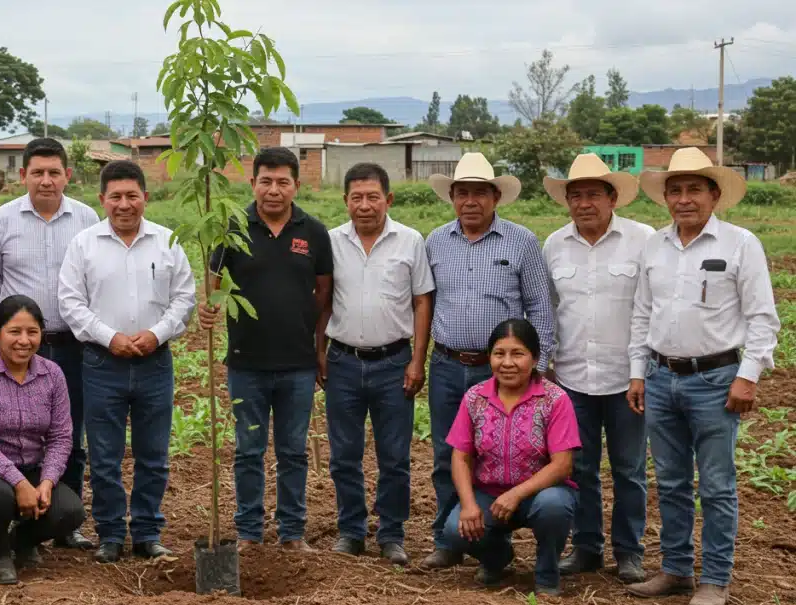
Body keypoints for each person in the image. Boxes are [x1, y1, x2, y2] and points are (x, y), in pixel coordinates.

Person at [626, 148, 781, 605]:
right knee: (671, 482)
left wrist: (748, 376)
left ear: (715, 195)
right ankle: (675, 569)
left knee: (716, 484)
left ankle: (714, 577)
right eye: (675, 190)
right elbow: (641, 314)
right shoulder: (654, 245)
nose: (684, 198)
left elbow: (762, 318)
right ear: (665, 198)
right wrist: (638, 373)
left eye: (695, 189)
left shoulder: (740, 244)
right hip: (660, 376)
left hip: (715, 379)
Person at [422, 153, 555, 569]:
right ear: (452, 198)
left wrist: (540, 366)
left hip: (501, 370)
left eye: (480, 192)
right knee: (449, 454)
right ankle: (450, 537)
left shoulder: (522, 242)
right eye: (462, 193)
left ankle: (494, 533)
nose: (470, 201)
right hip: (446, 365)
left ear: (496, 196)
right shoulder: (436, 241)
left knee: (501, 454)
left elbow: (540, 306)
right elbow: (425, 303)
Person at [59, 161, 196, 563]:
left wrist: (157, 333)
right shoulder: (84, 245)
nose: (124, 204)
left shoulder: (168, 241)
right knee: (104, 456)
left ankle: (148, 532)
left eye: (131, 196)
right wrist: (110, 337)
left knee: (153, 454)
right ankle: (111, 534)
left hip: (155, 362)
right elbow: (71, 302)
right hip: (103, 365)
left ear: (145, 198)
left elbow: (184, 299)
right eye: (115, 197)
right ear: (102, 200)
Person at [198, 147, 333, 551]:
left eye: (282, 182)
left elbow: (324, 293)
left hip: (297, 364)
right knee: (248, 451)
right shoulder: (232, 227)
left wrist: (319, 347)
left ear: (296, 185)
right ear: (252, 182)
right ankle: (249, 533)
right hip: (247, 364)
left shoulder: (314, 232)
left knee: (293, 453)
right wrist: (210, 309)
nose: (273, 190)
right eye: (265, 181)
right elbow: (213, 281)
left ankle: (292, 532)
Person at [0, 138, 101, 551]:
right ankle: (10, 507)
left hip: (72, 345)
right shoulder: (2, 219)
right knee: (8, 431)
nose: (46, 181)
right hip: (18, 347)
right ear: (23, 176)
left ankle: (61, 523)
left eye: (54, 172)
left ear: (68, 175)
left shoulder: (86, 218)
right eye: (38, 172)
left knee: (70, 433)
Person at [541, 154, 653, 584]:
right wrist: (547, 364)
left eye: (592, 194)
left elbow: (650, 308)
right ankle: (586, 547)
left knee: (629, 469)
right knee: (579, 468)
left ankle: (629, 552)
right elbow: (548, 309)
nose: (583, 203)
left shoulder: (643, 241)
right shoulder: (554, 244)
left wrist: (641, 371)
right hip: (571, 378)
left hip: (628, 378)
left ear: (612, 198)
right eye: (575, 196)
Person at [318, 163, 433, 565]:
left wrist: (418, 360)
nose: (364, 206)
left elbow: (422, 300)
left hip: (394, 362)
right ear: (345, 201)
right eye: (356, 198)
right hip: (343, 362)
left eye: (373, 197)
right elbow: (323, 299)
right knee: (344, 454)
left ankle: (392, 533)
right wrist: (319, 350)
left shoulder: (410, 241)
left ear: (389, 199)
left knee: (395, 456)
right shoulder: (330, 241)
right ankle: (351, 530)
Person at [441, 319, 580, 596]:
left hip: (540, 494)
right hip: (489, 494)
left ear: (535, 358)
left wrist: (516, 494)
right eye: (499, 353)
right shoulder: (475, 398)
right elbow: (461, 457)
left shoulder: (555, 399)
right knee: (454, 531)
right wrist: (469, 505)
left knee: (553, 507)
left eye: (517, 354)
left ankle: (547, 573)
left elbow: (563, 464)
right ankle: (498, 560)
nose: (507, 363)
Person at [0, 295, 85, 583]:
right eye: (14, 331)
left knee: (70, 512)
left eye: (32, 332)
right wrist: (20, 483)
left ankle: (22, 541)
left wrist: (47, 482)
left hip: (34, 467)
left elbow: (61, 436)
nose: (23, 340)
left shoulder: (52, 374)